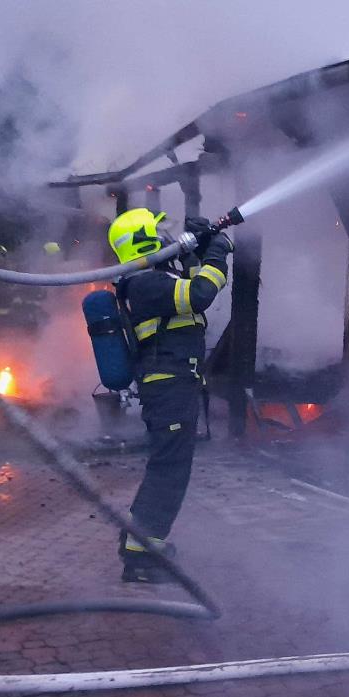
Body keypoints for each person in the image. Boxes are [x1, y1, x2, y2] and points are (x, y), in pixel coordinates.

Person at [108, 208, 231, 582]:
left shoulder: (154, 280)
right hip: (169, 385)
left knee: (169, 465)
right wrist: (217, 252)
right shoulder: (145, 283)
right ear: (144, 239)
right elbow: (200, 294)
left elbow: (189, 285)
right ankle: (140, 554)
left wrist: (200, 250)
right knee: (169, 468)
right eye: (158, 228)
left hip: (173, 383)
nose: (166, 233)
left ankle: (142, 541)